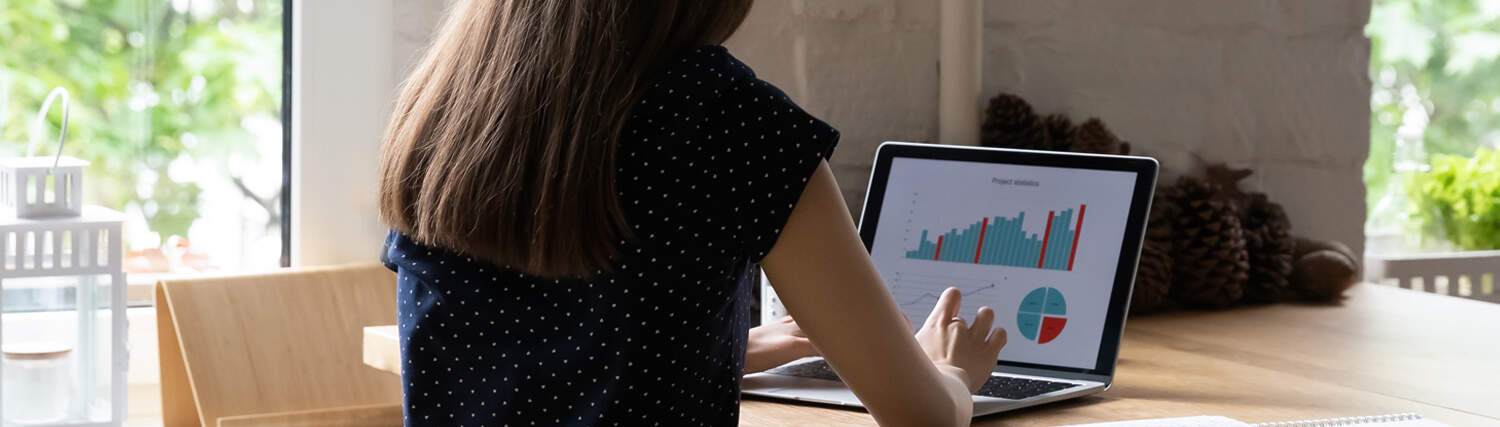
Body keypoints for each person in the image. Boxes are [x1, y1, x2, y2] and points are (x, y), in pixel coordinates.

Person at [377, 1, 1006, 426]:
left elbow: (531, 341)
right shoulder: (734, 120)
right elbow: (918, 414)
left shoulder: (447, 102)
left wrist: (729, 349)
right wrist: (951, 370)